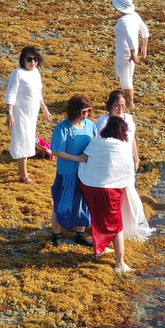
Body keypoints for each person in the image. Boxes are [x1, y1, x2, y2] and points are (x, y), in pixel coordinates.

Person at [58, 115, 136, 273]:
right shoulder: (120, 146)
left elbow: (85, 161)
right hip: (108, 191)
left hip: (90, 187)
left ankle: (100, 248)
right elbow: (127, 171)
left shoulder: (95, 143)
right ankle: (120, 263)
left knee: (98, 217)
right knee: (116, 224)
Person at [49, 94, 98, 246]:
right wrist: (78, 158)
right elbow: (56, 150)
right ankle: (56, 235)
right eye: (83, 112)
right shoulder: (63, 127)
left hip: (85, 172)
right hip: (67, 171)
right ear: (74, 111)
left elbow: (96, 143)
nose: (86, 115)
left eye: (88, 111)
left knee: (82, 202)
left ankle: (80, 233)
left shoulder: (90, 125)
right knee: (61, 202)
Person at [103, 88, 151, 239]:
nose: (120, 109)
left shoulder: (128, 119)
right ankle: (118, 226)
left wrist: (136, 157)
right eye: (117, 105)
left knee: (130, 193)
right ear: (110, 105)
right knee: (118, 195)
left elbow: (132, 139)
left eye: (123, 106)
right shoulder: (104, 121)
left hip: (128, 162)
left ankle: (132, 225)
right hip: (114, 163)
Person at [6, 45, 52, 184]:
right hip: (19, 114)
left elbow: (38, 94)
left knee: (29, 139)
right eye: (29, 59)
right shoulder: (17, 73)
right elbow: (11, 94)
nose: (33, 62)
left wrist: (45, 110)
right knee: (22, 141)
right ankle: (24, 176)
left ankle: (23, 171)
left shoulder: (36, 72)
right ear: (23, 60)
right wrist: (9, 113)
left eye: (35, 59)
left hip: (32, 114)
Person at [111, 0, 150, 110]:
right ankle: (128, 102)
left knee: (125, 78)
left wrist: (133, 53)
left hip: (125, 54)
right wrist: (144, 46)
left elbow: (129, 37)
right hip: (129, 53)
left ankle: (130, 104)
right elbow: (145, 30)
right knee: (125, 75)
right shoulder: (135, 15)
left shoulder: (123, 21)